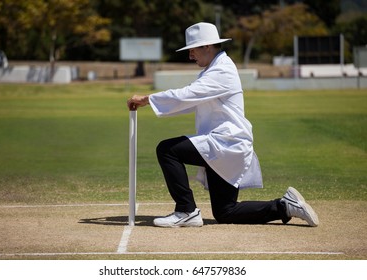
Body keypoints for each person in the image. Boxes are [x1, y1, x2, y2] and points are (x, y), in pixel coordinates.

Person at [127, 22, 319, 228]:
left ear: (207, 47)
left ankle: (186, 210)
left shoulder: (222, 71)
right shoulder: (215, 69)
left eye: (192, 50)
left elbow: (189, 94)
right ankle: (285, 207)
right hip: (223, 146)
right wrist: (152, 103)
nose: (190, 55)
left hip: (226, 143)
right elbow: (192, 101)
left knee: (167, 150)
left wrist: (148, 99)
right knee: (226, 211)